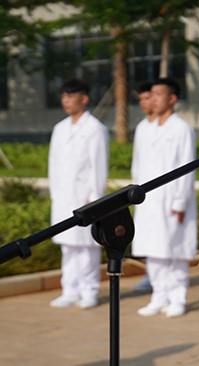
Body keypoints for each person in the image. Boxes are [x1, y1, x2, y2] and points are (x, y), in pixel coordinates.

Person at [131, 78, 198, 318]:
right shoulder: (143, 128)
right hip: (148, 200)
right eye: (152, 94)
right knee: (153, 249)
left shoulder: (181, 129)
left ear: (171, 99)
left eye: (159, 94)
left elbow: (187, 167)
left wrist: (180, 201)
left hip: (172, 199)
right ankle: (158, 295)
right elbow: (137, 165)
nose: (154, 98)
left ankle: (177, 296)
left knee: (174, 249)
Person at [48, 79, 109, 309]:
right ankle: (70, 289)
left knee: (86, 246)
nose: (66, 101)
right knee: (68, 244)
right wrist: (55, 193)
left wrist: (96, 196)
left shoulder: (95, 128)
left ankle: (89, 290)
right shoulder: (60, 128)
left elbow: (98, 166)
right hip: (64, 196)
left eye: (70, 97)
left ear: (83, 99)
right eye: (64, 96)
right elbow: (53, 164)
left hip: (85, 197)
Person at [131, 81, 156, 293]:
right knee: (147, 234)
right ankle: (150, 274)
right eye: (141, 99)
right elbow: (137, 162)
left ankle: (160, 279)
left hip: (162, 192)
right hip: (143, 191)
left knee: (161, 237)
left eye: (147, 98)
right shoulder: (142, 127)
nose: (144, 103)